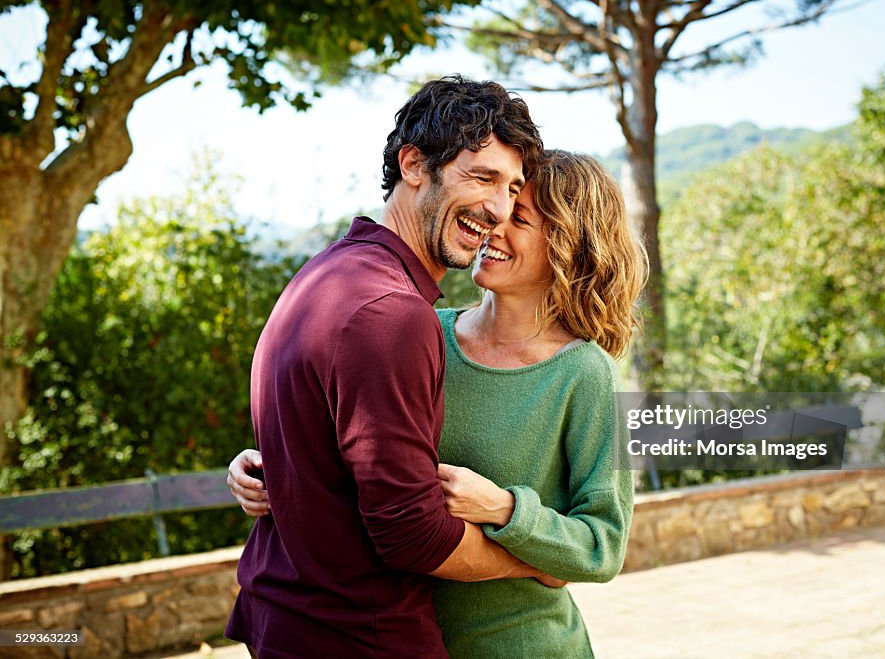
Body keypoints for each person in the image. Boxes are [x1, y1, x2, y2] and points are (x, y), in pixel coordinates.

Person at [230, 149, 648, 657]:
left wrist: (504, 507)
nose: (493, 223)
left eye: (520, 217)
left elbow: (604, 545)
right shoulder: (424, 331)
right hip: (398, 639)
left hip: (521, 646)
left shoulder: (586, 373)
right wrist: (271, 468)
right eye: (497, 206)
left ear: (566, 245)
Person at [223, 75, 548, 659]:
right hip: (360, 636)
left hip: (291, 619)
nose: (498, 210)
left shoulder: (326, 274)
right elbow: (411, 533)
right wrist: (531, 561)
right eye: (483, 177)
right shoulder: (390, 313)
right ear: (414, 164)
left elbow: (316, 446)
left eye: (512, 188)